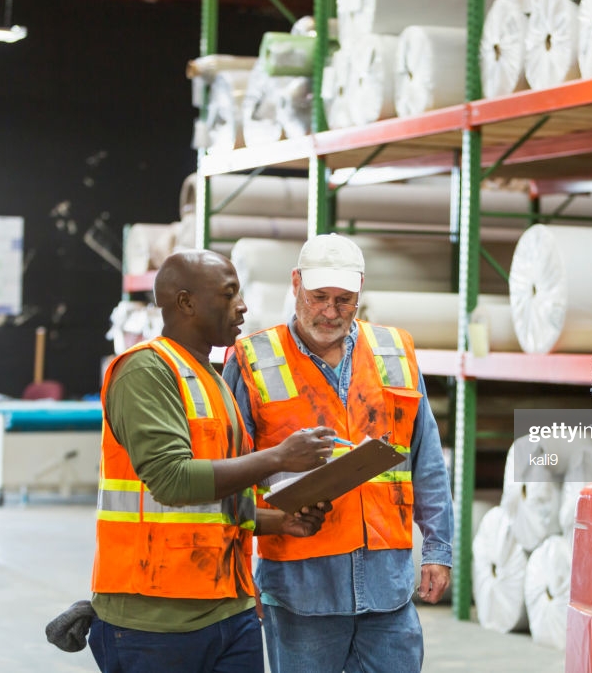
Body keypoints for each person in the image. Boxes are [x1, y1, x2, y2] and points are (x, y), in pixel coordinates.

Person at [88, 249, 337, 673]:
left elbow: (214, 499)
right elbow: (173, 481)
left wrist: (279, 522)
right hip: (156, 620)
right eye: (229, 294)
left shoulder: (209, 378)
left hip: (227, 608)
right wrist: (279, 457)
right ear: (186, 303)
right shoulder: (145, 372)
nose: (242, 305)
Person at [222, 233, 455, 673]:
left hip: (387, 587)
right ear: (295, 284)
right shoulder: (254, 359)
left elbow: (425, 460)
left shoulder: (395, 351)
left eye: (343, 300)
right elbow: (230, 477)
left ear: (360, 292)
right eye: (319, 297)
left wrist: (439, 550)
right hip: (300, 590)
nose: (330, 312)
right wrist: (237, 576)